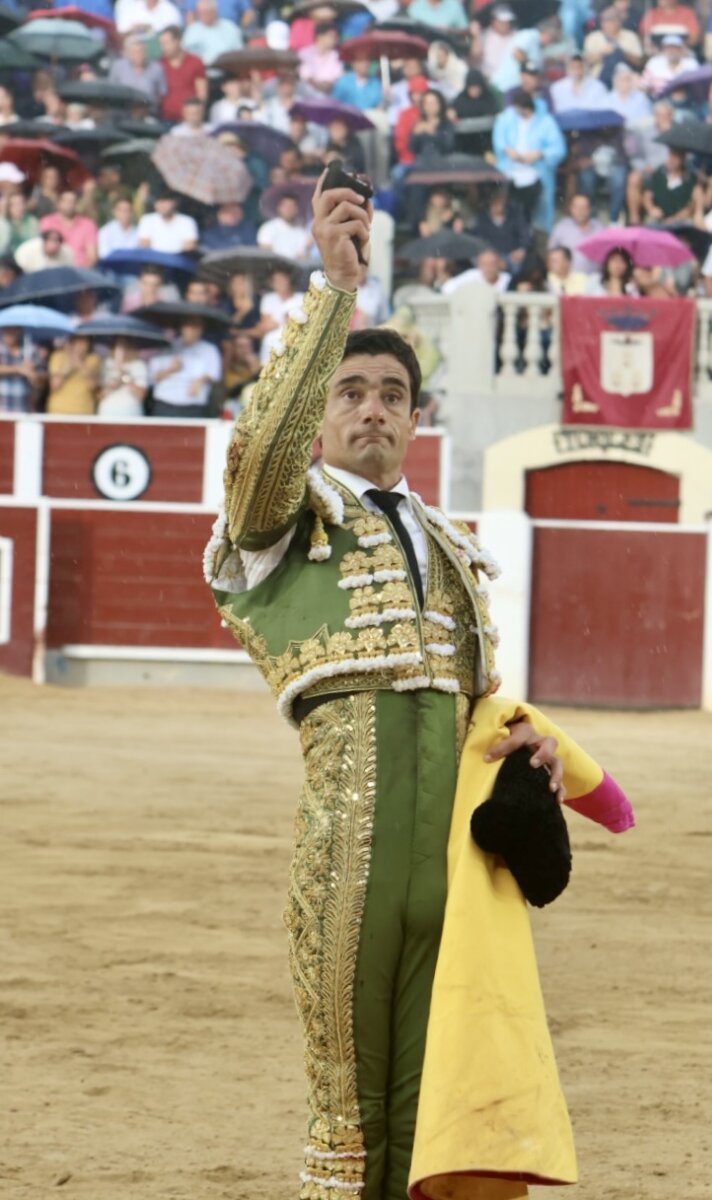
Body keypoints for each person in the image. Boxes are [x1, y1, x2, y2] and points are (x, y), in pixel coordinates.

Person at [203, 171, 574, 1200]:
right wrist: (333, 293)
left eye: (391, 395)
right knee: (349, 1129)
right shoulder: (283, 525)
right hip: (347, 871)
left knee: (434, 1128)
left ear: (416, 417)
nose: (371, 407)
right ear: (321, 412)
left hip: (454, 873)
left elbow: (482, 707)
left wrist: (529, 750)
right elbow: (261, 451)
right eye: (350, 391)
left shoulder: (452, 548)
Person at [492, 90, 566, 229]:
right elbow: (499, 139)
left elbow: (558, 149)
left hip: (536, 171)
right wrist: (507, 150)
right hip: (509, 168)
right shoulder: (508, 117)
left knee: (535, 206)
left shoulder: (546, 122)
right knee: (508, 204)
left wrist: (540, 154)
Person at [149, 317, 222, 417]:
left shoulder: (209, 349)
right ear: (182, 327)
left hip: (193, 406)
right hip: (165, 404)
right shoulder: (167, 347)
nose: (193, 330)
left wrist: (200, 381)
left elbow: (214, 375)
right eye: (190, 326)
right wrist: (170, 370)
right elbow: (153, 377)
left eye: (197, 326)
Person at [159, 25, 208, 123]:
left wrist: (195, 116)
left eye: (167, 43)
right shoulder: (159, 64)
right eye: (162, 44)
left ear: (178, 41)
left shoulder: (195, 61)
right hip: (166, 119)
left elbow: (202, 94)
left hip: (190, 121)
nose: (164, 47)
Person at [39, 190, 98, 268]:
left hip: (80, 270)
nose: (69, 204)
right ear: (58, 204)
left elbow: (92, 256)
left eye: (72, 201)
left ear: (77, 204)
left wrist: (79, 271)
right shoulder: (47, 222)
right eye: (65, 201)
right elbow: (42, 251)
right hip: (54, 270)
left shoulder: (88, 224)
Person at [46, 335, 102, 415]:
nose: (83, 346)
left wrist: (80, 364)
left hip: (83, 411)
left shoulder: (93, 359)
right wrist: (67, 367)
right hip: (58, 410)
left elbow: (93, 386)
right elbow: (54, 385)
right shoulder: (58, 357)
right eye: (79, 342)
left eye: (85, 342)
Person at [548, 192, 601, 275]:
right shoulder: (561, 227)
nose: (580, 211)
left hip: (593, 279)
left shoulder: (599, 229)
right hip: (566, 278)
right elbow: (550, 253)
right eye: (577, 207)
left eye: (584, 207)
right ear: (571, 208)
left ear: (590, 209)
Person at [108, 35, 166, 110]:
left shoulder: (156, 68)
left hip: (149, 111)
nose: (140, 55)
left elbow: (161, 93)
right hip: (124, 111)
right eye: (135, 52)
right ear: (128, 53)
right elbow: (112, 91)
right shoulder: (118, 67)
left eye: (142, 51)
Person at [643, 147, 698, 224]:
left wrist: (676, 218)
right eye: (670, 156)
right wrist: (651, 209)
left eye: (675, 157)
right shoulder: (658, 174)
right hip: (658, 219)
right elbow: (647, 196)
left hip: (679, 221)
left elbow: (691, 205)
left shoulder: (690, 180)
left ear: (682, 159)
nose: (671, 160)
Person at [181, 0, 244, 66]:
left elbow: (239, 53)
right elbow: (184, 54)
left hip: (226, 68)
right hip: (200, 69)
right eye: (201, 12)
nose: (203, 15)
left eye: (207, 12)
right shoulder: (192, 30)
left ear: (215, 11)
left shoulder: (230, 28)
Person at [97, 338, 150, 417]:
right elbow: (99, 395)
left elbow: (140, 395)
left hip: (130, 413)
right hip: (107, 413)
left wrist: (123, 375)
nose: (120, 350)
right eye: (117, 346)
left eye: (124, 346)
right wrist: (114, 384)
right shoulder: (105, 364)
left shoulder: (138, 365)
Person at [0, 327, 45, 413]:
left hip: (24, 409)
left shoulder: (31, 351)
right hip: (2, 409)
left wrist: (33, 375)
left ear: (19, 331)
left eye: (12, 330)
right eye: (7, 330)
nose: (9, 334)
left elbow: (41, 383)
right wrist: (18, 369)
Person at [257, 192, 313, 259]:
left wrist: (307, 246)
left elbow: (303, 257)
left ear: (297, 209)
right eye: (286, 206)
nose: (289, 209)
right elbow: (265, 252)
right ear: (279, 208)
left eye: (292, 206)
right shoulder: (268, 228)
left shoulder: (301, 231)